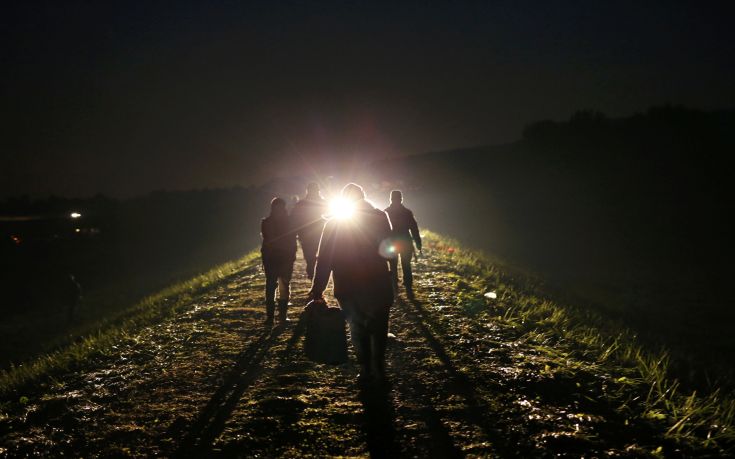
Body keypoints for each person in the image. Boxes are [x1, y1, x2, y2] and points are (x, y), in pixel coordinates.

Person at [309, 183, 394, 383]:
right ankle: (379, 368)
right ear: (363, 197)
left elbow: (324, 259)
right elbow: (391, 249)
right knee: (379, 327)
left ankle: (365, 369)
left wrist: (318, 287)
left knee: (357, 327)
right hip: (378, 282)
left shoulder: (334, 223)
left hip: (347, 285)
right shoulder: (380, 217)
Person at [261, 197, 297, 324]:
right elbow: (291, 240)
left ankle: (274, 317)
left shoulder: (267, 222)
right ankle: (278, 317)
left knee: (275, 286)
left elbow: (268, 241)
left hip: (275, 258)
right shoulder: (287, 222)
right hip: (278, 258)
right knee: (280, 286)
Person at [384, 190, 422, 299]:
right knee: (406, 265)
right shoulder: (407, 212)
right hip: (405, 242)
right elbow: (414, 229)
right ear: (401, 199)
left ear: (391, 199)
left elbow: (382, 230)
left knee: (393, 265)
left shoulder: (386, 212)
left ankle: (394, 286)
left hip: (392, 243)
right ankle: (408, 286)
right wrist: (418, 243)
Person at [290, 182, 328, 280]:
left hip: (314, 236)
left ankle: (314, 280)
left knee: (314, 259)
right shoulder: (323, 203)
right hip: (314, 236)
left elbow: (294, 220)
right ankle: (314, 279)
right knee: (314, 259)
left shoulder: (302, 204)